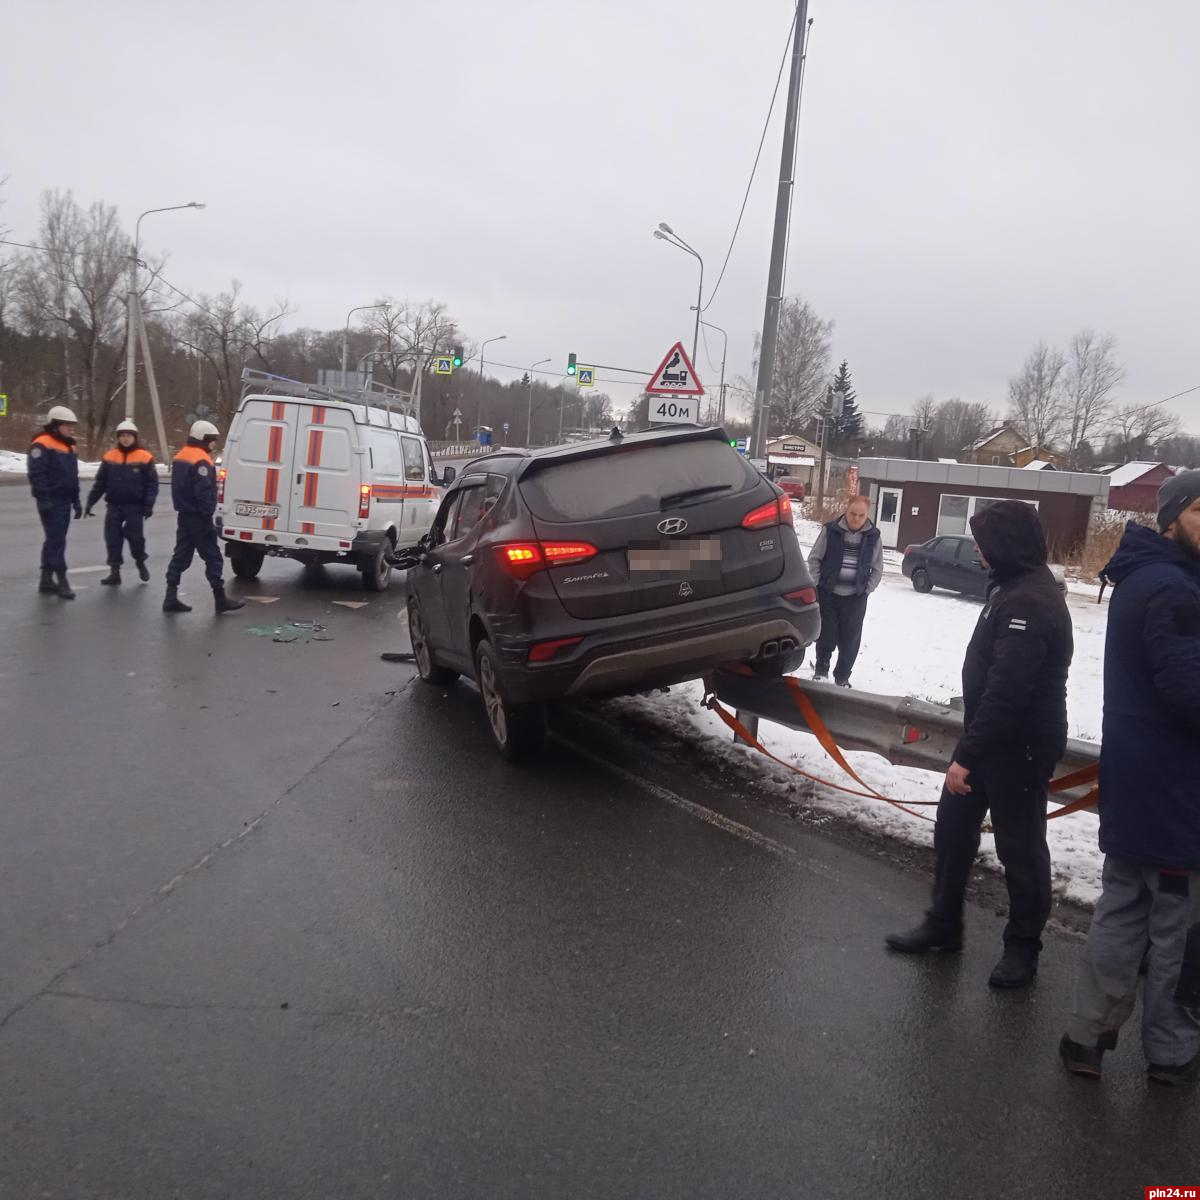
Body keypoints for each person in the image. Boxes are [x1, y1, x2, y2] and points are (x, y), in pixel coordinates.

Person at [886, 500, 1073, 989]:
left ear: (1008, 545)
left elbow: (1009, 692)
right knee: (953, 830)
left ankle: (1023, 949)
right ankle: (944, 924)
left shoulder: (1030, 601)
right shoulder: (1011, 589)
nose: (981, 553)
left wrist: (966, 757)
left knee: (1021, 848)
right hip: (989, 738)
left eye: (986, 545)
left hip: (1019, 747)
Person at [1060, 471, 1200, 1086]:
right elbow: (1189, 692)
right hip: (1177, 796)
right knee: (1179, 931)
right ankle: (1170, 1052)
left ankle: (1084, 1037)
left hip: (1137, 786)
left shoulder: (1145, 578)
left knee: (1121, 914)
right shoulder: (1174, 590)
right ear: (1172, 518)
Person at [163, 420, 244, 615]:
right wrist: (208, 512)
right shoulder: (201, 460)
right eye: (211, 441)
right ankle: (220, 599)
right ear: (203, 440)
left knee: (180, 555)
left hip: (184, 516)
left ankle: (170, 597)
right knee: (213, 557)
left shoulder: (181, 456)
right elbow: (203, 491)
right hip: (199, 518)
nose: (213, 445)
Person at [807, 495, 883, 687]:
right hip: (828, 593)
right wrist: (818, 583)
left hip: (856, 597)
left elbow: (878, 567)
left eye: (861, 515)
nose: (856, 518)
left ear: (867, 515)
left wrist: (867, 589)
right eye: (852, 513)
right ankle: (821, 670)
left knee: (850, 640)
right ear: (846, 510)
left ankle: (842, 677)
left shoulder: (874, 536)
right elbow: (814, 558)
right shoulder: (830, 530)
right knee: (827, 633)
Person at [84, 419, 159, 586]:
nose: (125, 439)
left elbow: (152, 484)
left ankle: (140, 561)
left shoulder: (144, 457)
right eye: (122, 436)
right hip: (114, 505)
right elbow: (100, 482)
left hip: (135, 507)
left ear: (135, 437)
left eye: (129, 436)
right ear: (118, 438)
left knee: (136, 538)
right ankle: (114, 572)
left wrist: (148, 505)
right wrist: (90, 502)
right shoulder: (110, 457)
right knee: (112, 539)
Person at [27, 405, 82, 599]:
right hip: (51, 499)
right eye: (67, 425)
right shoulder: (42, 444)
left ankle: (45, 579)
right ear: (56, 425)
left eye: (71, 426)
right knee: (57, 540)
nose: (70, 429)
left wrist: (76, 499)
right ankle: (61, 580)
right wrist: (44, 499)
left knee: (53, 539)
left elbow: (72, 476)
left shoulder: (70, 445)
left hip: (65, 499)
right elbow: (37, 474)